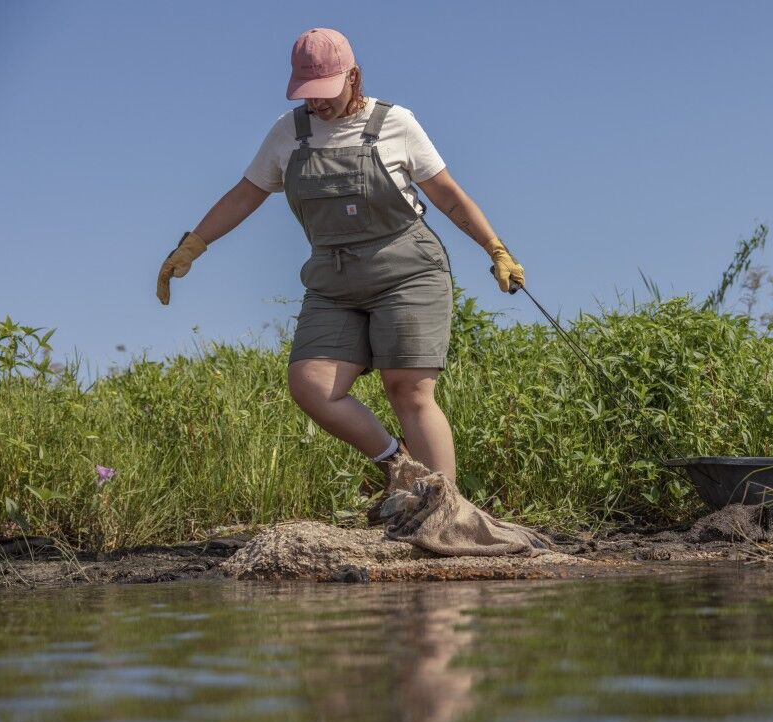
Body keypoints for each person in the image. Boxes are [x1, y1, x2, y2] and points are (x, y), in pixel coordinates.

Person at [156, 27, 523, 513]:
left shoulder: (396, 123)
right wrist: (193, 245)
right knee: (310, 383)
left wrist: (495, 248)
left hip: (407, 271)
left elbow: (448, 195)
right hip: (333, 279)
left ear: (353, 77)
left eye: (326, 91)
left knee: (408, 388)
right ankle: (398, 464)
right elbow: (245, 194)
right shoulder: (288, 133)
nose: (317, 104)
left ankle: (444, 515)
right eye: (307, 94)